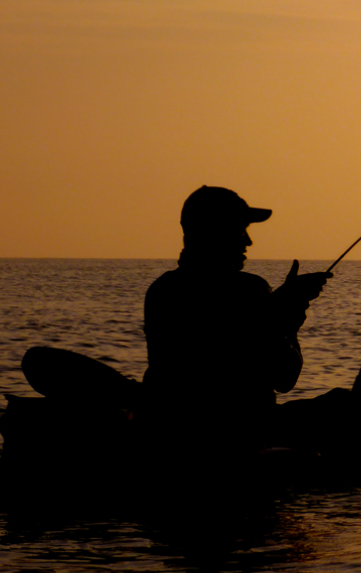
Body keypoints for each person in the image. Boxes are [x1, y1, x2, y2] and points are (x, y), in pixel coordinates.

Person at [141, 185, 332, 452]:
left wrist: (278, 306)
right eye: (239, 229)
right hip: (239, 439)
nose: (248, 241)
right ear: (214, 232)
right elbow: (285, 376)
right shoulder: (249, 290)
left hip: (169, 435)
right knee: (340, 403)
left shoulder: (161, 290)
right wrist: (290, 315)